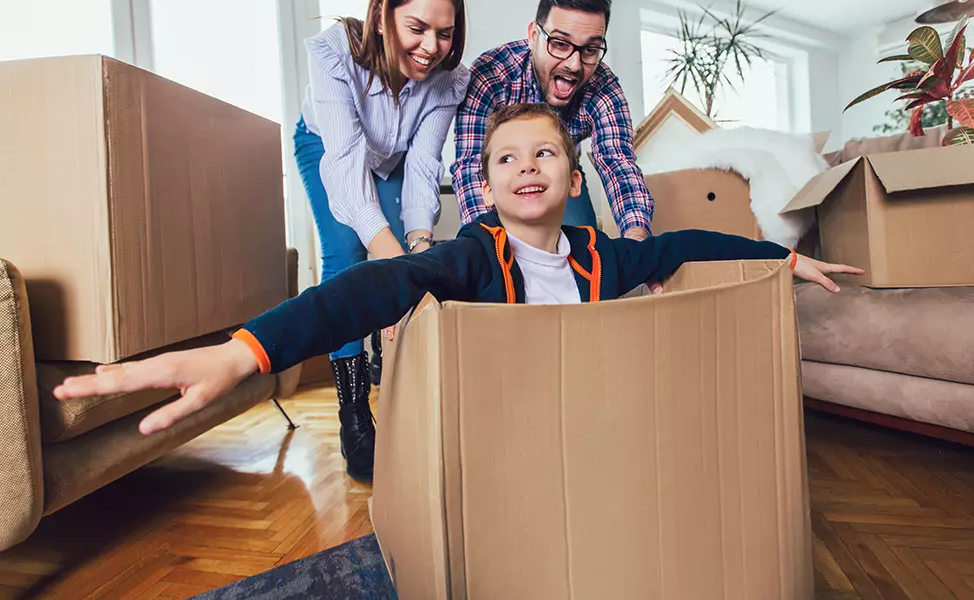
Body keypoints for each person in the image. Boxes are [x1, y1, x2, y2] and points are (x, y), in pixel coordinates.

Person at [53, 103, 862, 448]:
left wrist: (786, 255)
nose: (527, 167)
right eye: (506, 158)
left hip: (595, 416)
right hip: (504, 427)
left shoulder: (602, 257)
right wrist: (245, 351)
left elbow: (683, 242)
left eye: (545, 152)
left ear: (574, 182)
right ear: (486, 187)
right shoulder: (470, 257)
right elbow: (373, 288)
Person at [290, 0, 470, 481]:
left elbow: (422, 168)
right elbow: (346, 170)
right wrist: (387, 252)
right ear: (385, 11)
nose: (431, 47)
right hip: (327, 145)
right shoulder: (333, 55)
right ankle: (352, 409)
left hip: (393, 159)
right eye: (417, 27)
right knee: (349, 253)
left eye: (445, 33)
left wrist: (417, 245)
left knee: (405, 256)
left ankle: (391, 377)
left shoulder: (448, 80)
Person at [451, 0, 653, 241]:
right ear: (534, 36)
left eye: (590, 49)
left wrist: (637, 237)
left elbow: (618, 163)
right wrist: (486, 245)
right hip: (503, 172)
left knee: (581, 251)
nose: (573, 64)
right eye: (559, 43)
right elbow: (471, 165)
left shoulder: (603, 87)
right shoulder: (490, 75)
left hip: (561, 165)